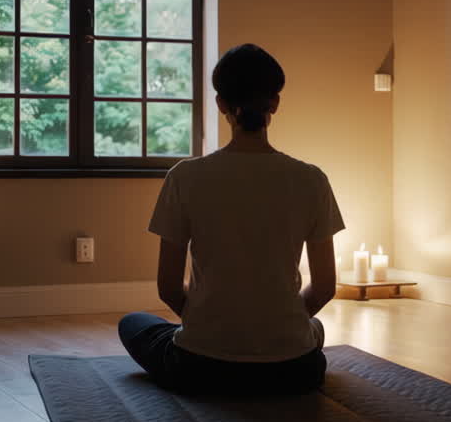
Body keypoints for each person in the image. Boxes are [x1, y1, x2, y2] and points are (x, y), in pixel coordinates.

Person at [117, 44, 343, 394]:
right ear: (275, 104)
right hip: (295, 371)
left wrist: (206, 324)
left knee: (133, 323)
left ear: (221, 104)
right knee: (313, 327)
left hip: (201, 369)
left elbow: (169, 288)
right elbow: (325, 288)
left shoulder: (185, 177)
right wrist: (284, 321)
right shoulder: (311, 178)